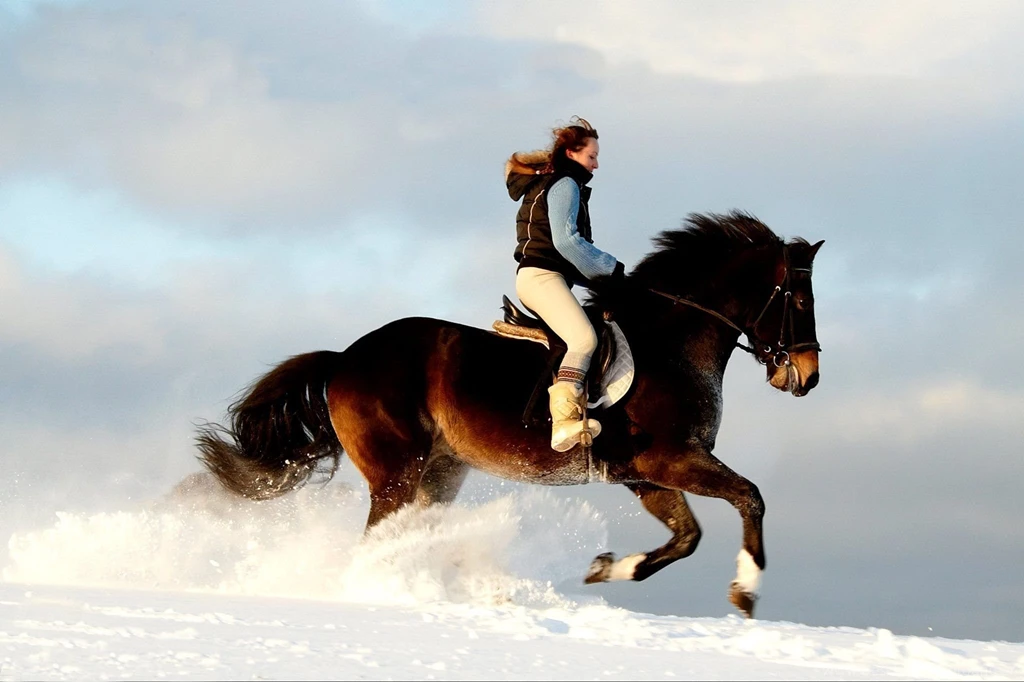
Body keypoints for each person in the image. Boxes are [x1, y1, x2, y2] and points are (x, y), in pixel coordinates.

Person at [506, 117, 625, 452]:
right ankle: (564, 421)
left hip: (545, 276)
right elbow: (567, 242)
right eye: (592, 156)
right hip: (541, 277)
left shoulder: (555, 181)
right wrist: (610, 270)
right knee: (584, 338)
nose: (596, 164)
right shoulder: (565, 184)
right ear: (572, 153)